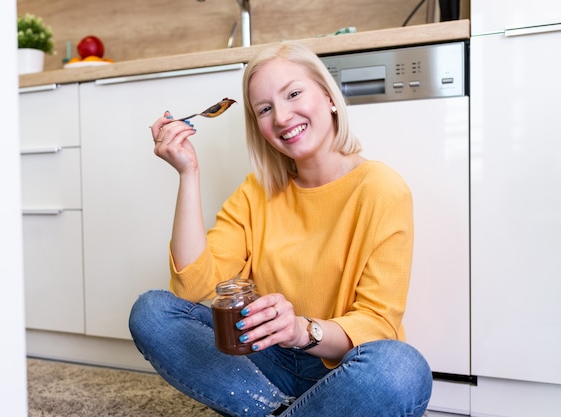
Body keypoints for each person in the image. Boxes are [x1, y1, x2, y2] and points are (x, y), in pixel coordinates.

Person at [129, 41, 432, 417]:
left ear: (328, 97)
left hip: (342, 368)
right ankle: (286, 410)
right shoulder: (256, 191)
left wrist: (301, 331)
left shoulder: (382, 188)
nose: (283, 116)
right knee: (152, 312)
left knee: (402, 369)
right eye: (265, 109)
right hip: (264, 362)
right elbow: (193, 286)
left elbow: (378, 322)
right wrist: (188, 173)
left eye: (293, 93)